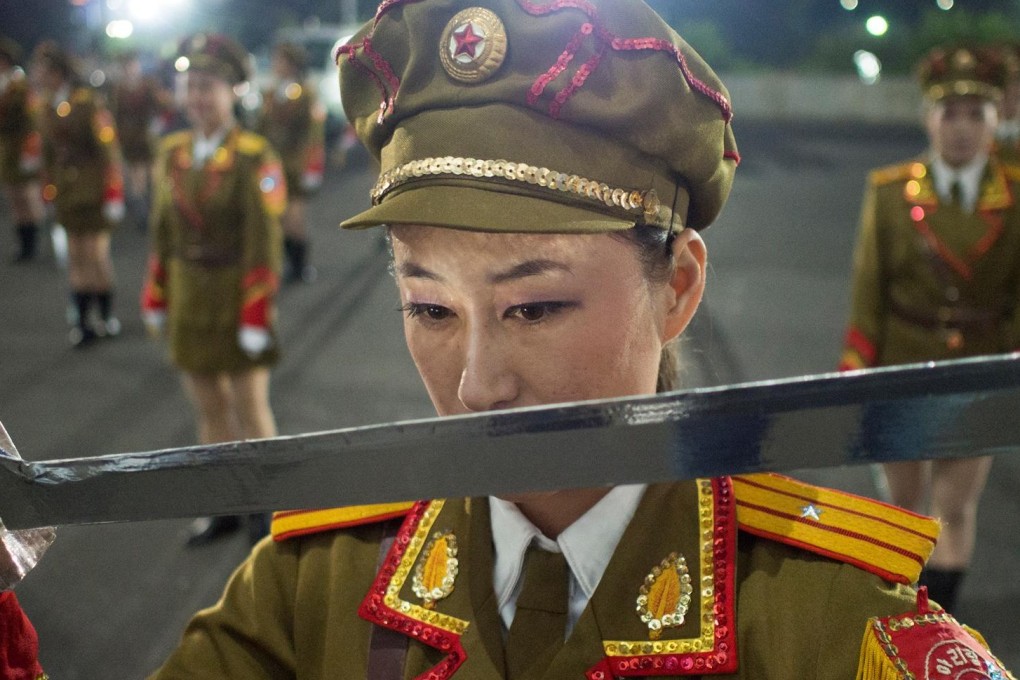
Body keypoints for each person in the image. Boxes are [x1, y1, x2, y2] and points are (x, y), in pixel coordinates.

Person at [150, 2, 1013, 678]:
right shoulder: (305, 588)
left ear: (676, 285)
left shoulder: (830, 625)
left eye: (535, 308)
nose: (479, 388)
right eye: (430, 310)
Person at [839, 45, 1020, 613]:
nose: (962, 128)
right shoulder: (890, 192)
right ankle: (900, 619)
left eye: (976, 113)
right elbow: (869, 290)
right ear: (928, 117)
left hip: (980, 370)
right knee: (903, 509)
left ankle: (935, 629)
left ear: (998, 119)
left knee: (955, 507)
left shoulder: (1015, 195)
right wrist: (855, 370)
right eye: (950, 113)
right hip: (902, 365)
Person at [140, 33, 286, 546]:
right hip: (188, 296)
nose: (198, 97)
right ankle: (226, 505)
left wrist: (255, 314)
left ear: (233, 92)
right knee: (209, 411)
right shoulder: (172, 152)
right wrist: (156, 295)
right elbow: (163, 233)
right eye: (190, 86)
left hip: (235, 295)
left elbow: (264, 243)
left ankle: (266, 511)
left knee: (250, 409)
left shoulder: (254, 155)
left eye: (208, 86)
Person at [31, 41, 125, 348]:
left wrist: (113, 193)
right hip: (66, 191)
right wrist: (47, 190)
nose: (38, 75)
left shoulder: (87, 103)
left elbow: (108, 151)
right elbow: (47, 154)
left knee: (95, 254)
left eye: (43, 70)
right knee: (74, 255)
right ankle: (82, 322)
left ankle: (105, 316)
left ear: (58, 72)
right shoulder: (44, 105)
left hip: (93, 188)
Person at [255, 42, 326, 284]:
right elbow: (261, 128)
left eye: (280, 60)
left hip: (296, 163)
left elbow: (314, 131)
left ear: (291, 64)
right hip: (273, 165)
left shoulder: (305, 92)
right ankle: (286, 263)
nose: (275, 65)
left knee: (294, 217)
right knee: (277, 215)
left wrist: (312, 166)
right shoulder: (271, 92)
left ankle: (300, 266)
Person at [109, 49, 165, 231]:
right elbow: (115, 115)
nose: (129, 69)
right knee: (137, 179)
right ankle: (144, 217)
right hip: (131, 138)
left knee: (156, 177)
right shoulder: (118, 90)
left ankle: (158, 212)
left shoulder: (147, 84)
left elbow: (159, 105)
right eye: (126, 66)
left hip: (148, 136)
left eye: (132, 65)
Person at [0, 36, 43, 264]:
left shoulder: (19, 85)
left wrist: (31, 149)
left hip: (21, 145)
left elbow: (30, 119)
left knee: (27, 194)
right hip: (6, 147)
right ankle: (23, 242)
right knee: (14, 195)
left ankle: (32, 241)